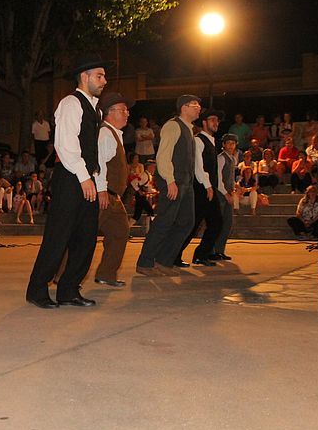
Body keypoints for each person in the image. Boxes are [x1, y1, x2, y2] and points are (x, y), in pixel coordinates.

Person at [26, 54, 110, 308]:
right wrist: (84, 178)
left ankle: (69, 290)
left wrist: (99, 184)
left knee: (86, 238)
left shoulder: (96, 109)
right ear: (84, 77)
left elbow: (94, 151)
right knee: (58, 236)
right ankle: (37, 290)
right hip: (71, 178)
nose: (104, 80)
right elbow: (65, 144)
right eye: (99, 76)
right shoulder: (71, 103)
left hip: (87, 178)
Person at [135, 95, 200, 276]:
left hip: (186, 182)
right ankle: (145, 262)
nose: (198, 108)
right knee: (164, 221)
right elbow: (163, 155)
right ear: (183, 107)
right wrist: (170, 180)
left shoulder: (189, 129)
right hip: (173, 181)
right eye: (194, 104)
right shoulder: (173, 126)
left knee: (187, 222)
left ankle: (164, 260)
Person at [93, 92, 135, 287]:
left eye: (127, 110)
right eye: (123, 110)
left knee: (120, 232)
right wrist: (101, 190)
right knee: (84, 236)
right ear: (109, 112)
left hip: (114, 197)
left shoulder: (115, 134)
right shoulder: (105, 134)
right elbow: (98, 164)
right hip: (103, 195)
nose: (127, 113)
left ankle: (106, 274)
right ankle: (62, 276)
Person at [176, 108, 224, 267]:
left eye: (217, 120)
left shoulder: (212, 141)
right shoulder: (198, 140)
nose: (216, 123)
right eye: (212, 119)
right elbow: (198, 166)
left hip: (209, 188)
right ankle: (174, 255)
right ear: (204, 122)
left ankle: (201, 254)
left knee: (215, 222)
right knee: (192, 224)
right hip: (201, 188)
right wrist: (208, 187)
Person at [211, 133, 238, 261]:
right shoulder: (221, 158)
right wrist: (225, 193)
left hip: (229, 193)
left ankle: (220, 250)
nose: (231, 146)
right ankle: (212, 251)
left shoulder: (233, 159)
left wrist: (235, 188)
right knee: (218, 223)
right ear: (223, 144)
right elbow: (218, 178)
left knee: (228, 223)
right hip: (220, 195)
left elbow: (230, 177)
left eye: (233, 143)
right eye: (228, 143)